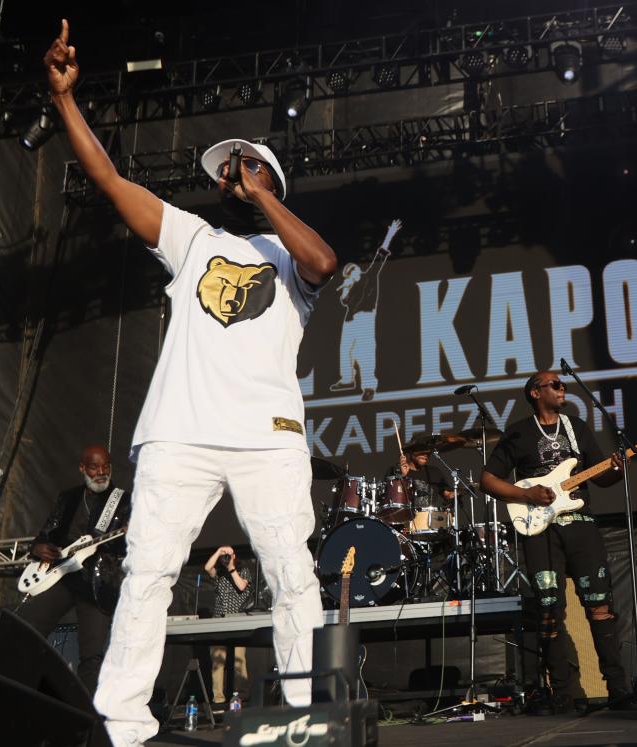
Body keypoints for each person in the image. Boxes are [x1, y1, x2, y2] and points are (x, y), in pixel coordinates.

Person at [43, 20, 337, 747]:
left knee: (292, 574)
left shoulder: (289, 252)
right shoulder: (193, 238)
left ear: (270, 178)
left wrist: (264, 195)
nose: (233, 172)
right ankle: (122, 725)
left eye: (248, 164)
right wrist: (65, 102)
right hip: (179, 432)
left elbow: (326, 264)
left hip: (267, 438)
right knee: (147, 572)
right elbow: (111, 183)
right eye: (228, 168)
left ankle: (302, 718)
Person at [480, 372, 631, 714]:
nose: (563, 389)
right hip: (541, 530)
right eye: (556, 385)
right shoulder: (518, 432)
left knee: (600, 606)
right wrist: (525, 493)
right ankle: (560, 693)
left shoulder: (576, 426)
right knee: (550, 610)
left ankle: (618, 688)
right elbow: (487, 479)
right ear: (536, 392)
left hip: (581, 526)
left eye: (563, 385)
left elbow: (601, 475)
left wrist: (617, 469)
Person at [18, 445, 130, 694]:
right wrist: (38, 547)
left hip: (98, 580)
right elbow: (46, 533)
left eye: (106, 466)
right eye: (94, 467)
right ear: (82, 468)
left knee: (92, 654)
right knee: (27, 629)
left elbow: (131, 543)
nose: (101, 472)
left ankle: (89, 715)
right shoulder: (68, 498)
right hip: (62, 575)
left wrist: (130, 533)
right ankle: (28, 690)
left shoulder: (123, 501)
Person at [330, 220, 400, 401]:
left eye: (351, 271)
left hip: (364, 318)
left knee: (364, 352)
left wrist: (389, 235)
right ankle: (347, 379)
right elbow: (344, 302)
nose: (350, 274)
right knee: (345, 350)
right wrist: (346, 288)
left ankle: (369, 386)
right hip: (350, 320)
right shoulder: (350, 288)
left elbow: (380, 256)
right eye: (347, 273)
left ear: (356, 270)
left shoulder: (368, 277)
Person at [204, 546, 253, 706]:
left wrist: (231, 567)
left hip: (238, 620)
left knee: (239, 659)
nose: (226, 557)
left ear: (235, 556)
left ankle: (242, 696)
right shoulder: (219, 573)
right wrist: (218, 551)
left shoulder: (243, 571)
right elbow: (207, 567)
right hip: (219, 620)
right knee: (218, 661)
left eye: (229, 554)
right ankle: (218, 698)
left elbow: (241, 586)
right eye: (224, 555)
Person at [387, 450, 453, 511]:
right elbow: (390, 497)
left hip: (428, 518)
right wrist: (403, 475)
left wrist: (453, 494)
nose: (425, 455)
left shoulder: (435, 472)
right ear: (411, 452)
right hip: (403, 516)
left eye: (428, 452)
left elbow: (447, 494)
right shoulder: (395, 471)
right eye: (421, 451)